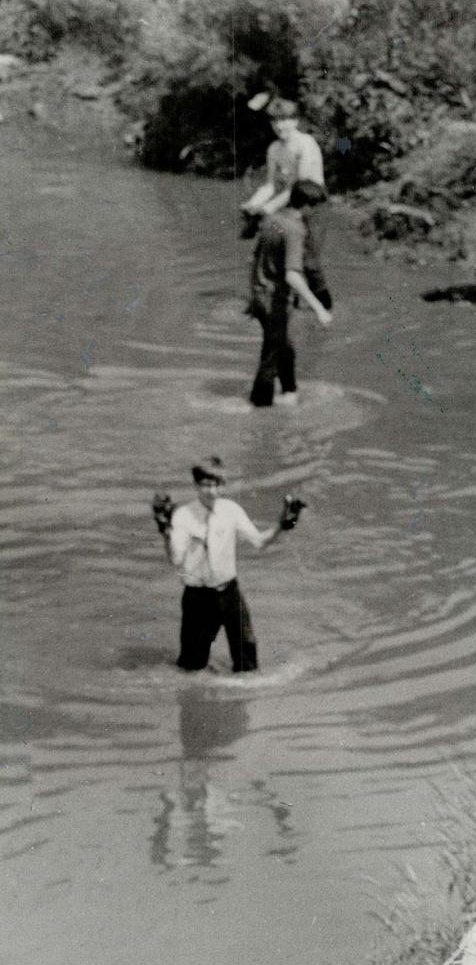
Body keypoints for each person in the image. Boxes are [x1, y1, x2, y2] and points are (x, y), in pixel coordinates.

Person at [151, 456, 306, 673]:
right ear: (196, 486)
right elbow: (176, 559)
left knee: (247, 658)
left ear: (222, 486)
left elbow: (259, 542)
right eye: (206, 485)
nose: (211, 491)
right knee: (192, 667)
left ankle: (243, 705)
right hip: (198, 597)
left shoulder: (231, 510)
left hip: (229, 593)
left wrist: (284, 523)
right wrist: (165, 532)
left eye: (216, 485)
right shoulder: (183, 516)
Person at [242, 95, 333, 310]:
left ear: (295, 121)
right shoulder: (274, 149)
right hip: (289, 207)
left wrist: (268, 207)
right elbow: (271, 186)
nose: (279, 126)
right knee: (287, 257)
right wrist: (252, 203)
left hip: (313, 204)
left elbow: (298, 187)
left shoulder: (305, 144)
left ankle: (326, 307)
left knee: (309, 261)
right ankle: (295, 306)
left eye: (283, 120)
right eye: (274, 121)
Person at [248, 178, 332, 408]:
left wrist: (253, 296)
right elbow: (292, 275)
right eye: (315, 208)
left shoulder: (271, 221)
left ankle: (289, 394)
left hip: (261, 295)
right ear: (306, 205)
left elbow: (254, 259)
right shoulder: (295, 230)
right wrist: (319, 309)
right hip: (275, 301)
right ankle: (259, 410)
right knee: (271, 357)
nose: (315, 213)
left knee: (285, 348)